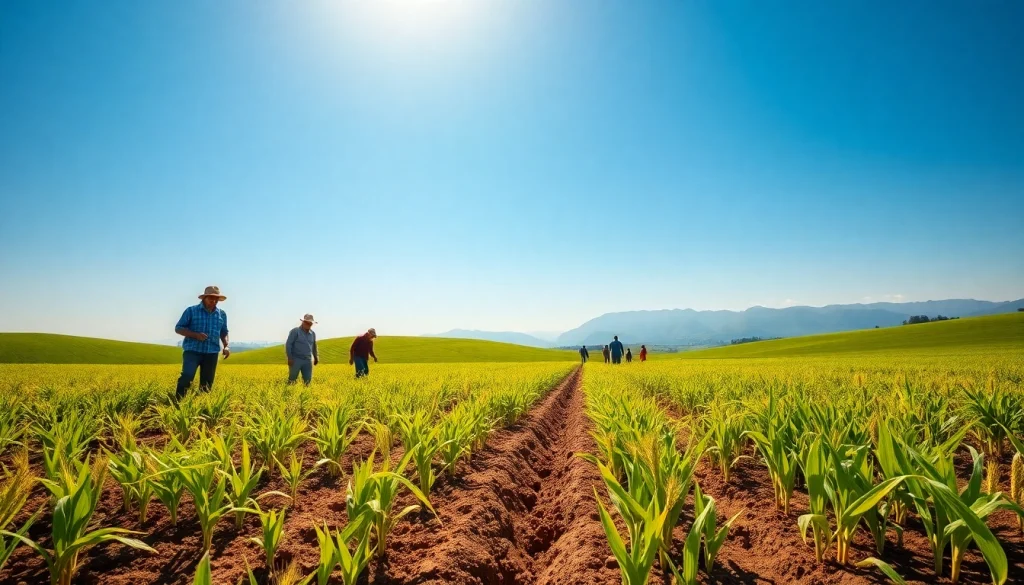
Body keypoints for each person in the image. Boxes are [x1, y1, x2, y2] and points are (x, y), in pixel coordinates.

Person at [174, 286, 230, 399]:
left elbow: (224, 332)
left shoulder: (222, 314)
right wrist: (195, 335)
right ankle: (178, 403)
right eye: (211, 299)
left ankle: (201, 408)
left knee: (207, 384)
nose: (214, 302)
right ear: (204, 298)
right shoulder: (191, 311)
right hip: (192, 351)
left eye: (216, 300)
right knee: (187, 376)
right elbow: (178, 328)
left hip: (212, 352)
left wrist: (226, 346)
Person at [286, 314, 319, 385]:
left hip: (308, 360)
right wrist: (290, 358)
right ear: (303, 322)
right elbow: (289, 345)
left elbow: (314, 346)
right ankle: (290, 393)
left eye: (310, 323)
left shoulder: (312, 334)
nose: (309, 324)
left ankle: (305, 394)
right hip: (296, 359)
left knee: (308, 381)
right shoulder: (295, 331)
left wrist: (316, 357)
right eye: (307, 322)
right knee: (292, 379)